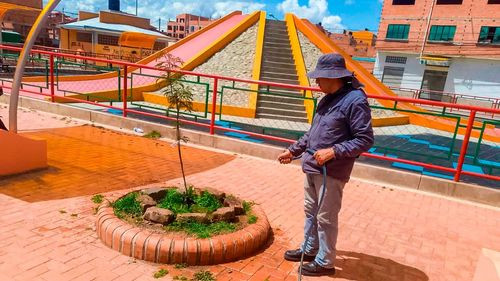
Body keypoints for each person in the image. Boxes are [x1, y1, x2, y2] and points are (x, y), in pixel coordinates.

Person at [278, 53, 374, 277]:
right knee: (310, 211)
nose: (316, 82)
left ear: (334, 77)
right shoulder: (327, 99)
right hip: (312, 166)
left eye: (320, 77)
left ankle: (325, 261)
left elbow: (365, 139)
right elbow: (313, 133)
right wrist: (293, 151)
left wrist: (333, 151)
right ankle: (310, 249)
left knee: (326, 217)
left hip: (331, 171)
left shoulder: (355, 100)